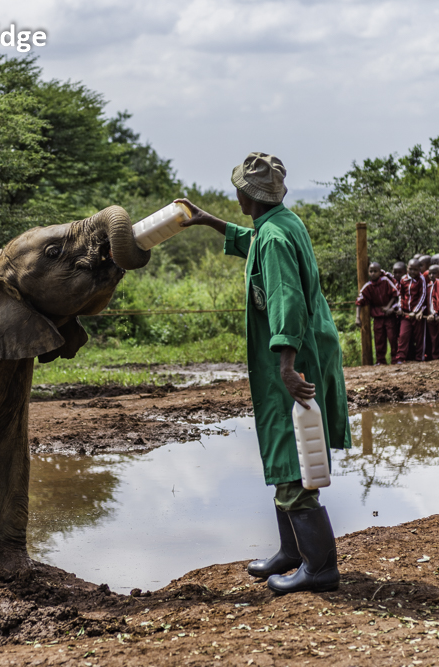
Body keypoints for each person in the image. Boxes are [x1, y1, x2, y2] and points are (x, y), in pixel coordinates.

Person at [175, 152, 351, 595]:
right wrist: (208, 221)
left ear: (247, 194)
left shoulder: (273, 237)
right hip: (305, 346)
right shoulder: (279, 223)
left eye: (238, 188)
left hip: (293, 353)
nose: (235, 194)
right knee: (283, 445)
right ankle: (292, 552)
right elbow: (251, 243)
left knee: (293, 451)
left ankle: (320, 568)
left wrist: (287, 366)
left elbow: (286, 300)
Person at [355, 262, 400, 364]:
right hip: (377, 316)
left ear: (380, 272)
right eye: (371, 271)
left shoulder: (386, 281)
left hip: (389, 315)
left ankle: (395, 358)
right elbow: (359, 301)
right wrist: (357, 317)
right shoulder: (368, 286)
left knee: (392, 337)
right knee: (379, 339)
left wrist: (388, 307)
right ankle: (380, 360)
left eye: (375, 271)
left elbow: (395, 293)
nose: (373, 273)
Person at [394, 259, 428, 363]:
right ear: (407, 268)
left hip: (417, 314)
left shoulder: (421, 279)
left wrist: (416, 311)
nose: (412, 272)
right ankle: (400, 358)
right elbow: (400, 294)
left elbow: (423, 295)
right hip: (406, 313)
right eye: (410, 269)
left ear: (419, 269)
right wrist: (400, 308)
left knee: (419, 337)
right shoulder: (403, 279)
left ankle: (420, 357)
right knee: (403, 335)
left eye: (415, 269)